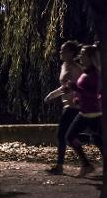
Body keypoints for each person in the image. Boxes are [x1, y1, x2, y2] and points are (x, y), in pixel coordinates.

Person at [63, 44, 103, 177]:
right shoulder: (85, 71)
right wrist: (78, 98)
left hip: (94, 113)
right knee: (70, 137)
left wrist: (76, 89)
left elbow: (95, 94)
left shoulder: (95, 74)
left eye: (83, 54)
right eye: (80, 54)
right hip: (84, 112)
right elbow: (84, 92)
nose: (80, 56)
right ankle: (86, 165)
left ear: (91, 57)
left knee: (99, 141)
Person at [44, 40, 83, 175]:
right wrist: (52, 95)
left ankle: (60, 166)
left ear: (71, 53)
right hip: (67, 104)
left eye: (63, 51)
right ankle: (85, 163)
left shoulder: (76, 68)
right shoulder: (64, 66)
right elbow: (64, 86)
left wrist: (54, 95)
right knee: (69, 136)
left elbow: (74, 87)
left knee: (63, 135)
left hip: (74, 105)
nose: (60, 52)